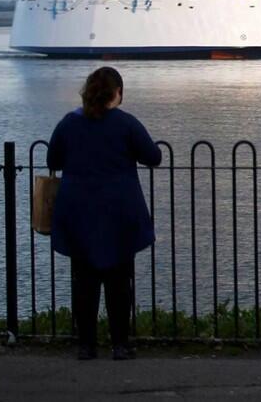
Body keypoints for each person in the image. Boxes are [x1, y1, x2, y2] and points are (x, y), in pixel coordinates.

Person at [48, 66, 162, 361]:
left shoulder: (69, 123)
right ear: (118, 93)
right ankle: (120, 345)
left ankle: (86, 345)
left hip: (78, 211)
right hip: (118, 212)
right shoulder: (126, 124)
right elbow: (153, 157)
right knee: (118, 281)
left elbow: (53, 158)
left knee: (84, 280)